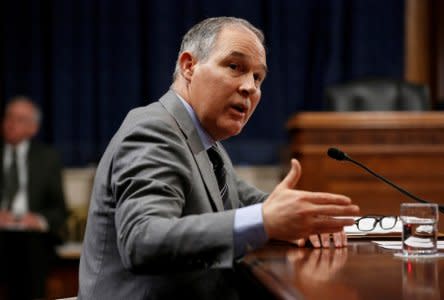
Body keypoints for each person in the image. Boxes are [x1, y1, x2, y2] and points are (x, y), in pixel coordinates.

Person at [78, 17, 359, 299]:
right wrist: (264, 220)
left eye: (258, 77)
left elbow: (250, 202)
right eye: (235, 67)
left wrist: (306, 216)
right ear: (189, 66)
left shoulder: (207, 144)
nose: (250, 87)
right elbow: (143, 241)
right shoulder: (154, 129)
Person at [0, 96, 67, 300]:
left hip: (32, 237)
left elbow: (59, 210)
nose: (11, 123)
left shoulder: (48, 158)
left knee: (32, 246)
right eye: (9, 117)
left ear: (33, 128)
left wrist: (37, 220)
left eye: (19, 119)